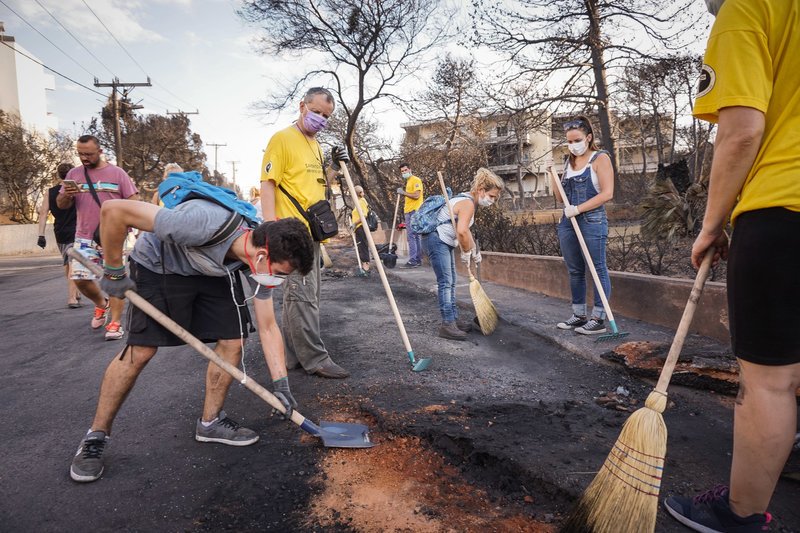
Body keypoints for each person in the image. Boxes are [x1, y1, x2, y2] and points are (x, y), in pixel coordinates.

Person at [663, 1, 800, 531]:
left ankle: (741, 517)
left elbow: (741, 130)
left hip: (785, 209)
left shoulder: (748, 8)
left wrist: (712, 224)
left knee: (771, 382)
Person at [68, 197, 314, 483]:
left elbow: (268, 325)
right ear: (261, 255)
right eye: (281, 274)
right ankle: (95, 436)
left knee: (233, 341)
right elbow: (114, 211)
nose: (279, 281)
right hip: (160, 265)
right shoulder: (198, 222)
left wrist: (280, 384)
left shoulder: (257, 262)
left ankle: (210, 423)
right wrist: (114, 271)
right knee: (141, 351)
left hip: (216, 269)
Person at [259, 87, 350, 379]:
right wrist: (271, 229)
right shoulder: (283, 139)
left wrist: (336, 166)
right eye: (317, 112)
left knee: (301, 296)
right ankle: (316, 359)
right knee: (303, 296)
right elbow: (268, 184)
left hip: (311, 231)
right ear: (302, 106)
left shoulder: (316, 145)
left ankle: (292, 356)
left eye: (326, 116)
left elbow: (320, 184)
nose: (321, 119)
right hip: (289, 233)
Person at [56, 135, 139, 340]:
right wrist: (66, 194)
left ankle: (115, 324)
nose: (84, 157)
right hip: (84, 235)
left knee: (114, 279)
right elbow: (61, 205)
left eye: (88, 154)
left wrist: (131, 227)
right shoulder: (74, 174)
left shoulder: (117, 173)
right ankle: (102, 304)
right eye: (80, 153)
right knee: (79, 279)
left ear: (100, 152)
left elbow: (134, 201)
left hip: (113, 236)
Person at [551, 116, 614, 336]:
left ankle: (598, 318)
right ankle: (579, 315)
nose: (573, 145)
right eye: (569, 141)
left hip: (592, 221)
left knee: (597, 269)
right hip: (568, 223)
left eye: (576, 139)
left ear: (588, 137)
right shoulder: (569, 163)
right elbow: (560, 198)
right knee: (575, 270)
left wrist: (578, 209)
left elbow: (607, 193)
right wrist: (552, 175)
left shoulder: (600, 159)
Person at [424, 168, 504, 340]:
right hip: (437, 240)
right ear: (481, 190)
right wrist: (467, 252)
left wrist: (474, 250)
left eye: (495, 198)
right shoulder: (467, 203)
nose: (492, 201)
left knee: (451, 281)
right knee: (446, 282)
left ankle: (453, 319)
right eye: (491, 196)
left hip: (442, 241)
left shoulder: (467, 200)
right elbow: (461, 231)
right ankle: (447, 325)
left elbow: (466, 231)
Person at [37, 162, 81, 308]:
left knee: (68, 263)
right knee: (73, 263)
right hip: (76, 230)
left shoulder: (50, 192)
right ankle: (71, 298)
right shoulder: (76, 189)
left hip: (60, 232)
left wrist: (41, 235)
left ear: (59, 175)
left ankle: (75, 292)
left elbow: (43, 214)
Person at [397, 163, 424, 267]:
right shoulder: (408, 181)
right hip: (409, 210)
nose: (404, 172)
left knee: (412, 236)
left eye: (405, 170)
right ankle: (417, 259)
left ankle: (413, 260)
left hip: (414, 211)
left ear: (410, 169)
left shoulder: (416, 180)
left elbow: (417, 195)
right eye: (402, 171)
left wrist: (403, 193)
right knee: (416, 236)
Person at [351, 185, 371, 273]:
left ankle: (366, 268)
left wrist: (355, 223)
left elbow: (364, 215)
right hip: (358, 228)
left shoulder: (361, 201)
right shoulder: (358, 201)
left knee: (362, 246)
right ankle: (364, 266)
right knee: (360, 246)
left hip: (361, 227)